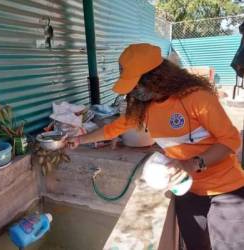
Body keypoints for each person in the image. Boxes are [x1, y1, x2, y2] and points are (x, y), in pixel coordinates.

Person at [66, 43, 244, 250]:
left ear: (158, 77)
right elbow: (113, 129)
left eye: (137, 84)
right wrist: (79, 140)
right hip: (187, 190)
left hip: (225, 190)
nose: (134, 91)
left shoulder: (196, 98)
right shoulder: (144, 108)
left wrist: (193, 163)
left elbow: (231, 140)